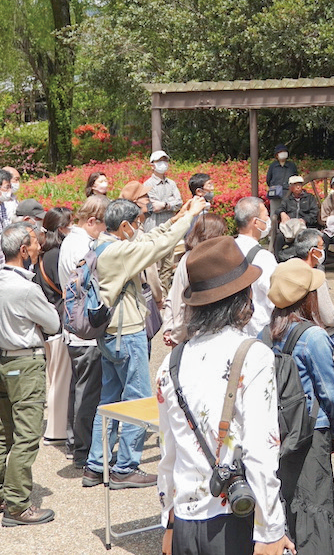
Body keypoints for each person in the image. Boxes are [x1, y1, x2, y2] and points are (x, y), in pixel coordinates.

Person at [156, 238, 295, 555]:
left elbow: (169, 454)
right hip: (234, 519)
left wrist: (168, 521)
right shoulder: (252, 354)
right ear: (243, 298)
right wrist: (271, 530)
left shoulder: (171, 363)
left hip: (186, 524)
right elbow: (261, 451)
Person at [88, 194, 206, 489]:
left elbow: (149, 238)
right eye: (136, 224)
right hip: (127, 334)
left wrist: (178, 217)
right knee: (138, 400)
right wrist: (190, 217)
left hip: (110, 334)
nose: (139, 228)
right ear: (125, 225)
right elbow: (159, 247)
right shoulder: (117, 254)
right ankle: (126, 466)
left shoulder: (102, 245)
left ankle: (96, 463)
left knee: (109, 399)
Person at [0, 224, 60, 526]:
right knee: (27, 436)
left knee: (3, 433)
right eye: (34, 243)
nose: (39, 246)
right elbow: (52, 322)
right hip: (26, 365)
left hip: (4, 364)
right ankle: (17, 505)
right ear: (24, 251)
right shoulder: (27, 288)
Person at [268, 258, 334, 555]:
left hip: (283, 428)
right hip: (313, 429)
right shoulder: (313, 336)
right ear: (307, 298)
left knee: (291, 499)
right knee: (318, 503)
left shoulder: (266, 333)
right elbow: (329, 391)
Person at [55, 196, 105, 469]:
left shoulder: (70, 241)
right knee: (88, 393)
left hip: (73, 327)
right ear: (91, 221)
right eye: (103, 225)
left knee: (78, 388)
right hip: (85, 329)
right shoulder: (82, 246)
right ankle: (83, 450)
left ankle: (76, 442)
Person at [165, 212, 235, 342]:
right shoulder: (201, 262)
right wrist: (176, 335)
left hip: (185, 332)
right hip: (195, 334)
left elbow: (172, 295)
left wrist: (169, 327)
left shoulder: (186, 258)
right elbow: (183, 303)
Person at [37, 205, 74, 445]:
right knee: (61, 377)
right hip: (59, 321)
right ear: (61, 228)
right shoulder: (57, 255)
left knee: (54, 375)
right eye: (69, 224)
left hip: (48, 321)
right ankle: (57, 429)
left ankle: (55, 425)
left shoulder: (43, 253)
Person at [233, 197, 279, 334]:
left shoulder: (229, 249)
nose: (268, 219)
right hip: (259, 330)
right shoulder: (263, 257)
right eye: (266, 215)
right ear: (255, 222)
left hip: (233, 327)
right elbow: (274, 297)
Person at [139, 151, 182, 232]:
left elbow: (179, 203)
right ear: (152, 166)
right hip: (154, 225)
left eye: (165, 160)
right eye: (159, 161)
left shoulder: (171, 183)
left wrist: (164, 205)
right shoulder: (147, 184)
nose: (163, 163)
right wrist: (170, 203)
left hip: (170, 225)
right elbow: (154, 207)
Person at [277, 175, 321, 253]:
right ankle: (277, 259)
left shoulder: (310, 198)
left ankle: (292, 254)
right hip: (290, 227)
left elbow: (314, 213)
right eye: (295, 185)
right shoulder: (287, 199)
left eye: (299, 185)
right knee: (279, 237)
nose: (298, 187)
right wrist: (282, 213)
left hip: (305, 226)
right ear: (290, 187)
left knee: (303, 237)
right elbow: (279, 208)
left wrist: (304, 220)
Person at [267, 145, 299, 217]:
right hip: (275, 193)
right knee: (274, 213)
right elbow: (268, 179)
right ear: (276, 155)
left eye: (284, 151)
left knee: (289, 212)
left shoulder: (291, 165)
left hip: (288, 192)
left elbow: (295, 178)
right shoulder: (273, 166)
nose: (283, 153)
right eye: (281, 152)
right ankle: (274, 227)